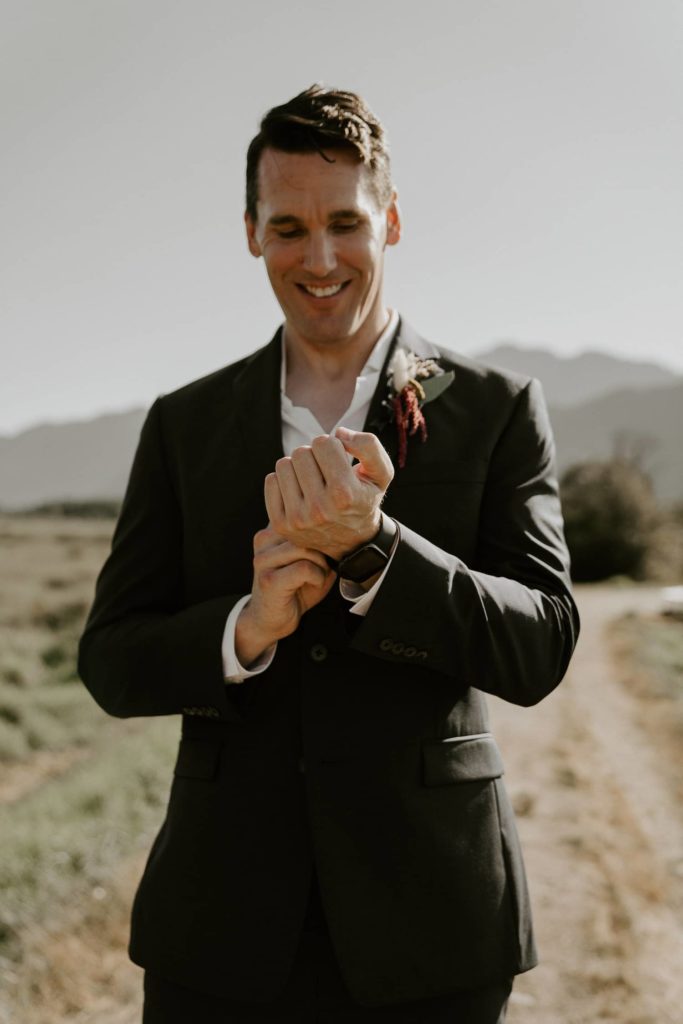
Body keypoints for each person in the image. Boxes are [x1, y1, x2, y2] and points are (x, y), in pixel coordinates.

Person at [79, 85, 580, 1023]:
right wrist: (245, 628)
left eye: (345, 223)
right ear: (249, 232)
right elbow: (111, 661)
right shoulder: (183, 426)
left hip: (432, 923)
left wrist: (379, 552)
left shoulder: (497, 409)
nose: (318, 259)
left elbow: (541, 644)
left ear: (390, 221)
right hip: (220, 928)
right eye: (287, 228)